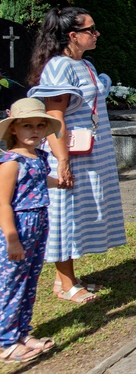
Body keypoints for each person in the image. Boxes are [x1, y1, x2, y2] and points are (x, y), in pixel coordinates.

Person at [27, 7, 126, 304]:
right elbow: (54, 116)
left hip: (91, 153)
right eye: (91, 30)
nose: (96, 34)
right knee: (66, 214)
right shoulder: (59, 66)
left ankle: (65, 278)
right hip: (70, 152)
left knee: (80, 212)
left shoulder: (86, 65)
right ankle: (67, 283)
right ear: (72, 36)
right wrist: (63, 162)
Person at [0, 98, 63, 362]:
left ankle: (22, 331)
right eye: (27, 126)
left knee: (29, 281)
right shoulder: (11, 162)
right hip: (19, 228)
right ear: (14, 128)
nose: (34, 131)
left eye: (39, 125)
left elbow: (36, 180)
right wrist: (12, 239)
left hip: (39, 223)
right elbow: (3, 202)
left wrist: (58, 182)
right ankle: (6, 341)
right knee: (11, 283)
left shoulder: (37, 157)